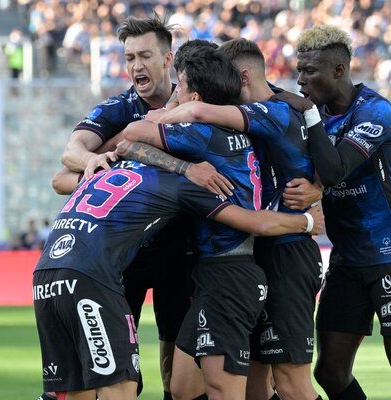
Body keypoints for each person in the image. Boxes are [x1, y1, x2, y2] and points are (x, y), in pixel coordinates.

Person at [34, 159, 321, 400]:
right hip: (90, 279)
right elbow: (253, 222)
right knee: (119, 388)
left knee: (77, 391)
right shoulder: (176, 183)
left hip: (45, 275)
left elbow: (60, 180)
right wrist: (306, 222)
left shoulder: (116, 168)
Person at [145, 38, 325, 400]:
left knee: (291, 384)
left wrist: (315, 197)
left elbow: (196, 113)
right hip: (253, 256)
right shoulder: (240, 124)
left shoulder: (275, 110)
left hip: (286, 253)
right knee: (254, 387)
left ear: (240, 77)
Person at [47, 14, 194, 400]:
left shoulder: (195, 103)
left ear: (167, 59)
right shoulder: (119, 109)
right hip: (119, 260)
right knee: (112, 374)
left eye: (144, 55)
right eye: (129, 57)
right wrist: (94, 166)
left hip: (181, 253)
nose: (135, 66)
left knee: (175, 372)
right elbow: (68, 161)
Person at [293, 25, 391, 400]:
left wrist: (307, 117)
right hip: (347, 259)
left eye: (310, 71)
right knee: (330, 371)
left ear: (339, 70)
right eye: (299, 70)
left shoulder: (376, 111)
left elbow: (336, 169)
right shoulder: (313, 114)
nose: (301, 79)